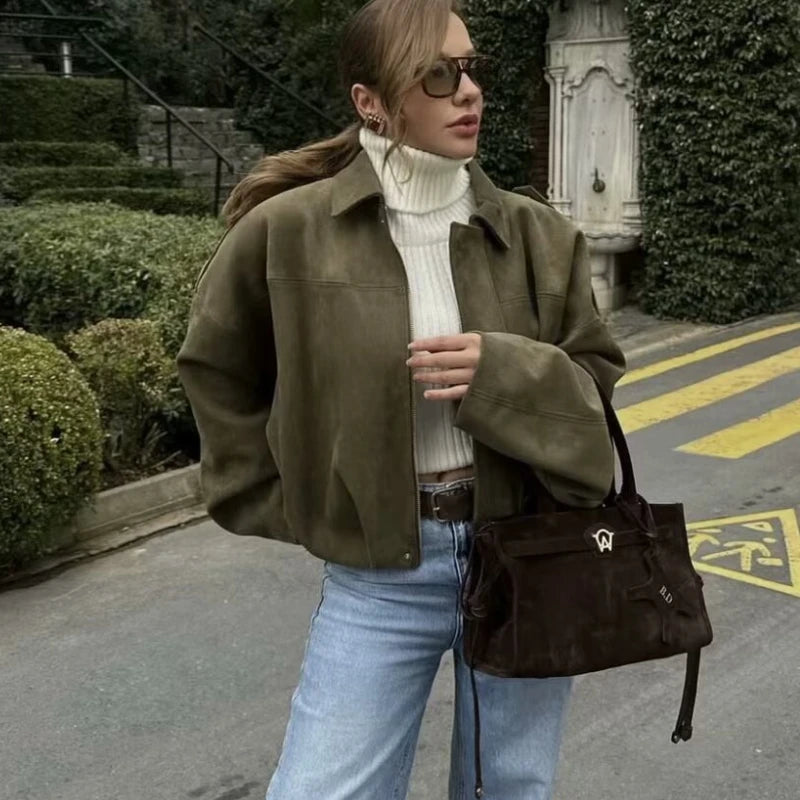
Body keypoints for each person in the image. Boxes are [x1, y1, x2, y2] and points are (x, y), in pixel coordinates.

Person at [176, 0, 626, 797]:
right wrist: (297, 502)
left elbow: (595, 382)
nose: (468, 92)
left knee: (509, 788)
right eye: (438, 74)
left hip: (526, 553)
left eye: (471, 68)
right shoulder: (288, 232)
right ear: (370, 101)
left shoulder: (534, 235)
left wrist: (503, 372)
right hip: (378, 576)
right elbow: (217, 369)